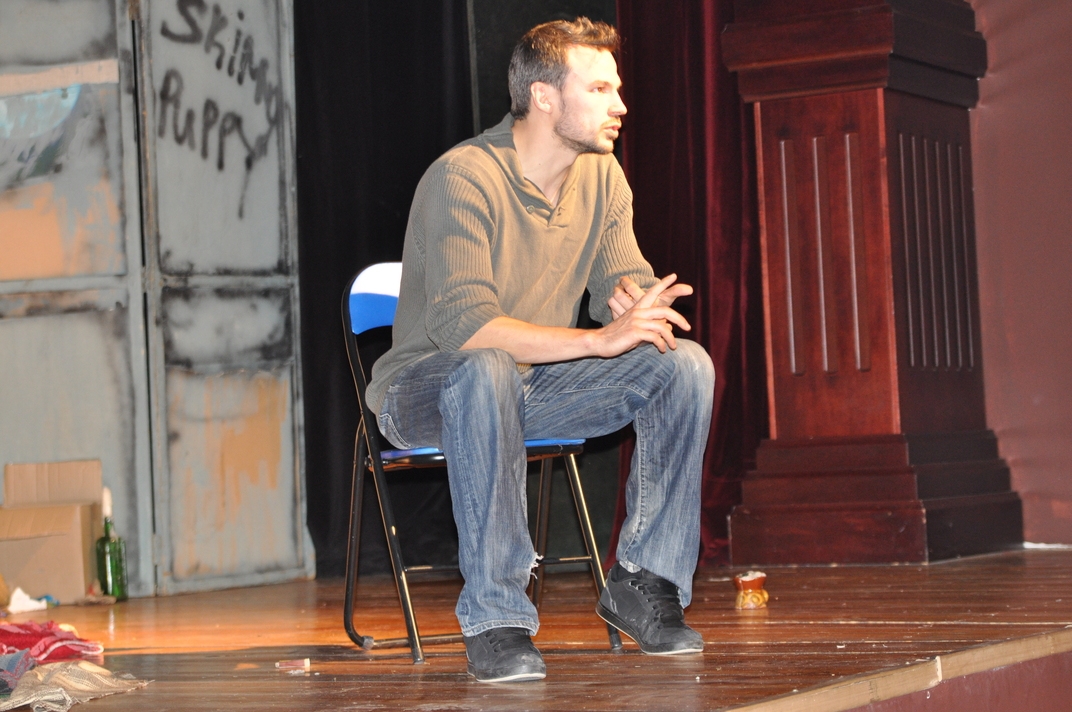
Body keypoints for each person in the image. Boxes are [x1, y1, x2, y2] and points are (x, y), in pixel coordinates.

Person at [365, 17, 714, 683]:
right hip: (427, 391)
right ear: (545, 97)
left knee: (683, 367)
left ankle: (644, 583)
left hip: (527, 388)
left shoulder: (601, 176)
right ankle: (496, 617)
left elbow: (620, 278)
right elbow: (467, 328)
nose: (621, 104)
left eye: (617, 89)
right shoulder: (463, 177)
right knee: (486, 367)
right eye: (601, 89)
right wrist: (599, 340)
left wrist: (635, 302)